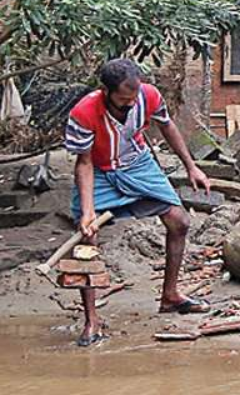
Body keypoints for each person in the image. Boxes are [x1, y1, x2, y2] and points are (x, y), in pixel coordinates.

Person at [65, 58, 213, 346]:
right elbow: (83, 163)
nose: (131, 104)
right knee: (87, 240)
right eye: (123, 100)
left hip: (138, 164)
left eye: (134, 98)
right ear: (106, 92)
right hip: (100, 171)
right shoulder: (83, 113)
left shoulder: (149, 96)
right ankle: (92, 319)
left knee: (179, 221)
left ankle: (170, 296)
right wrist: (88, 212)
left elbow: (167, 126)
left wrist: (191, 166)